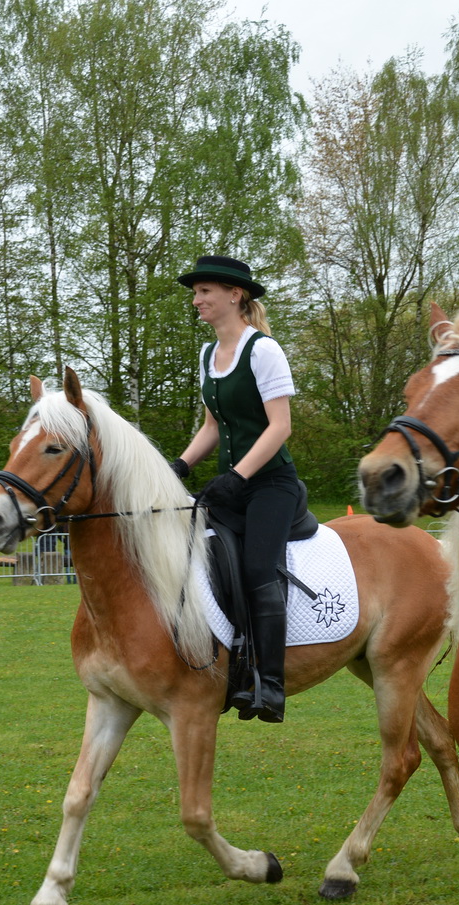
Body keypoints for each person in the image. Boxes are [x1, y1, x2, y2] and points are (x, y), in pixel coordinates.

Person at [170, 255, 300, 724]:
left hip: (271, 485)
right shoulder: (208, 355)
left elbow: (279, 427)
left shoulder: (263, 350)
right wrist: (181, 465)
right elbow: (212, 425)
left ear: (235, 295)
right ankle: (233, 665)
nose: (197, 299)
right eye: (196, 291)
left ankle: (271, 685)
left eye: (205, 291)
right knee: (201, 560)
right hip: (231, 487)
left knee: (257, 568)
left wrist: (238, 475)